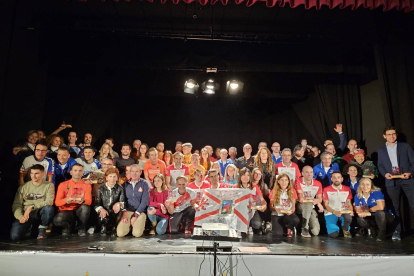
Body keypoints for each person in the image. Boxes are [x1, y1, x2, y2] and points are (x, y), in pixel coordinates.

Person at [377, 127, 414, 240]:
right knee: (394, 208)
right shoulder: (381, 150)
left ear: (396, 135)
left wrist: (410, 173)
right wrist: (385, 174)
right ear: (384, 136)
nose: (391, 136)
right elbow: (380, 165)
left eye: (393, 134)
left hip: (407, 179)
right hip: (391, 182)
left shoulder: (405, 146)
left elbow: (413, 162)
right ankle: (397, 231)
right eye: (389, 134)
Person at [10, 164, 55, 241]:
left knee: (49, 209)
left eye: (36, 173)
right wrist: (21, 217)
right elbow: (16, 205)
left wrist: (31, 207)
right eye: (32, 173)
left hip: (39, 212)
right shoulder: (23, 187)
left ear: (43, 174)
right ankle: (30, 228)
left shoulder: (49, 185)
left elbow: (49, 201)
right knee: (15, 237)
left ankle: (41, 230)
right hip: (26, 214)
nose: (33, 176)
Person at [53, 164, 92, 236]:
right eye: (75, 170)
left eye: (80, 171)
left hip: (79, 210)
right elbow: (57, 203)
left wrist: (83, 201)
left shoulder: (87, 185)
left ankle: (81, 228)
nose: (77, 172)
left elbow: (89, 201)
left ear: (83, 172)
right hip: (66, 210)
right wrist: (65, 201)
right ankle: (67, 227)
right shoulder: (63, 184)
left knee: (85, 207)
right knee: (58, 220)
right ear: (71, 172)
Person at [116, 164, 150, 237]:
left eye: (137, 171)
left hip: (140, 212)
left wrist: (136, 215)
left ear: (140, 172)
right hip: (128, 212)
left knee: (136, 234)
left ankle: (137, 226)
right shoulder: (125, 184)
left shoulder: (145, 183)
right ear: (130, 172)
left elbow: (145, 201)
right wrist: (124, 212)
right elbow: (122, 199)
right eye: (133, 171)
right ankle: (131, 226)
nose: (134, 173)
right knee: (120, 233)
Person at [322, 171, 353, 238]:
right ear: (331, 179)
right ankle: (337, 229)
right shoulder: (326, 189)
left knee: (348, 217)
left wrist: (351, 210)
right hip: (331, 213)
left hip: (343, 212)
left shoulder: (347, 189)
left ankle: (346, 230)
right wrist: (334, 212)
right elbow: (325, 205)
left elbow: (349, 203)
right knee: (334, 235)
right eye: (334, 178)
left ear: (342, 179)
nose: (336, 179)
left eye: (338, 177)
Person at [294, 166, 324, 238]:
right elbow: (301, 199)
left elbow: (319, 198)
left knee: (316, 232)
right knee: (307, 204)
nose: (309, 174)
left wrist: (319, 202)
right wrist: (317, 202)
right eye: (307, 172)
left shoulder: (318, 183)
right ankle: (304, 228)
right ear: (302, 173)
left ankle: (308, 224)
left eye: (311, 172)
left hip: (311, 206)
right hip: (299, 205)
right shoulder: (298, 181)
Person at [235, 168, 267, 234]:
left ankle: (249, 225)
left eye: (248, 175)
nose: (246, 177)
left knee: (257, 224)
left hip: (251, 210)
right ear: (240, 176)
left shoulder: (254, 186)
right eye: (243, 175)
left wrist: (264, 205)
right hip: (239, 212)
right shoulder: (236, 187)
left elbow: (262, 200)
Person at [95, 167, 125, 236]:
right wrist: (101, 209)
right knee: (101, 214)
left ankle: (114, 228)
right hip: (105, 211)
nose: (112, 179)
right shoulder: (101, 189)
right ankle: (103, 227)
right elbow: (97, 204)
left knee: (119, 210)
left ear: (117, 178)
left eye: (114, 176)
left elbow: (122, 202)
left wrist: (119, 204)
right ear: (106, 178)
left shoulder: (120, 188)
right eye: (110, 176)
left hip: (114, 211)